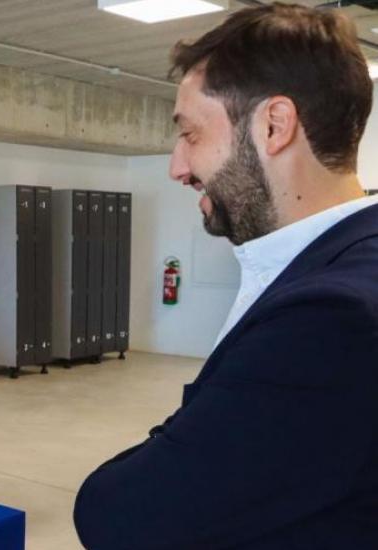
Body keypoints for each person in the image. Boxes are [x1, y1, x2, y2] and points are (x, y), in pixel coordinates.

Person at [74, 4, 378, 548]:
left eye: (190, 134)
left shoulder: (331, 318)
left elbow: (119, 514)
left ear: (273, 126)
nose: (177, 167)